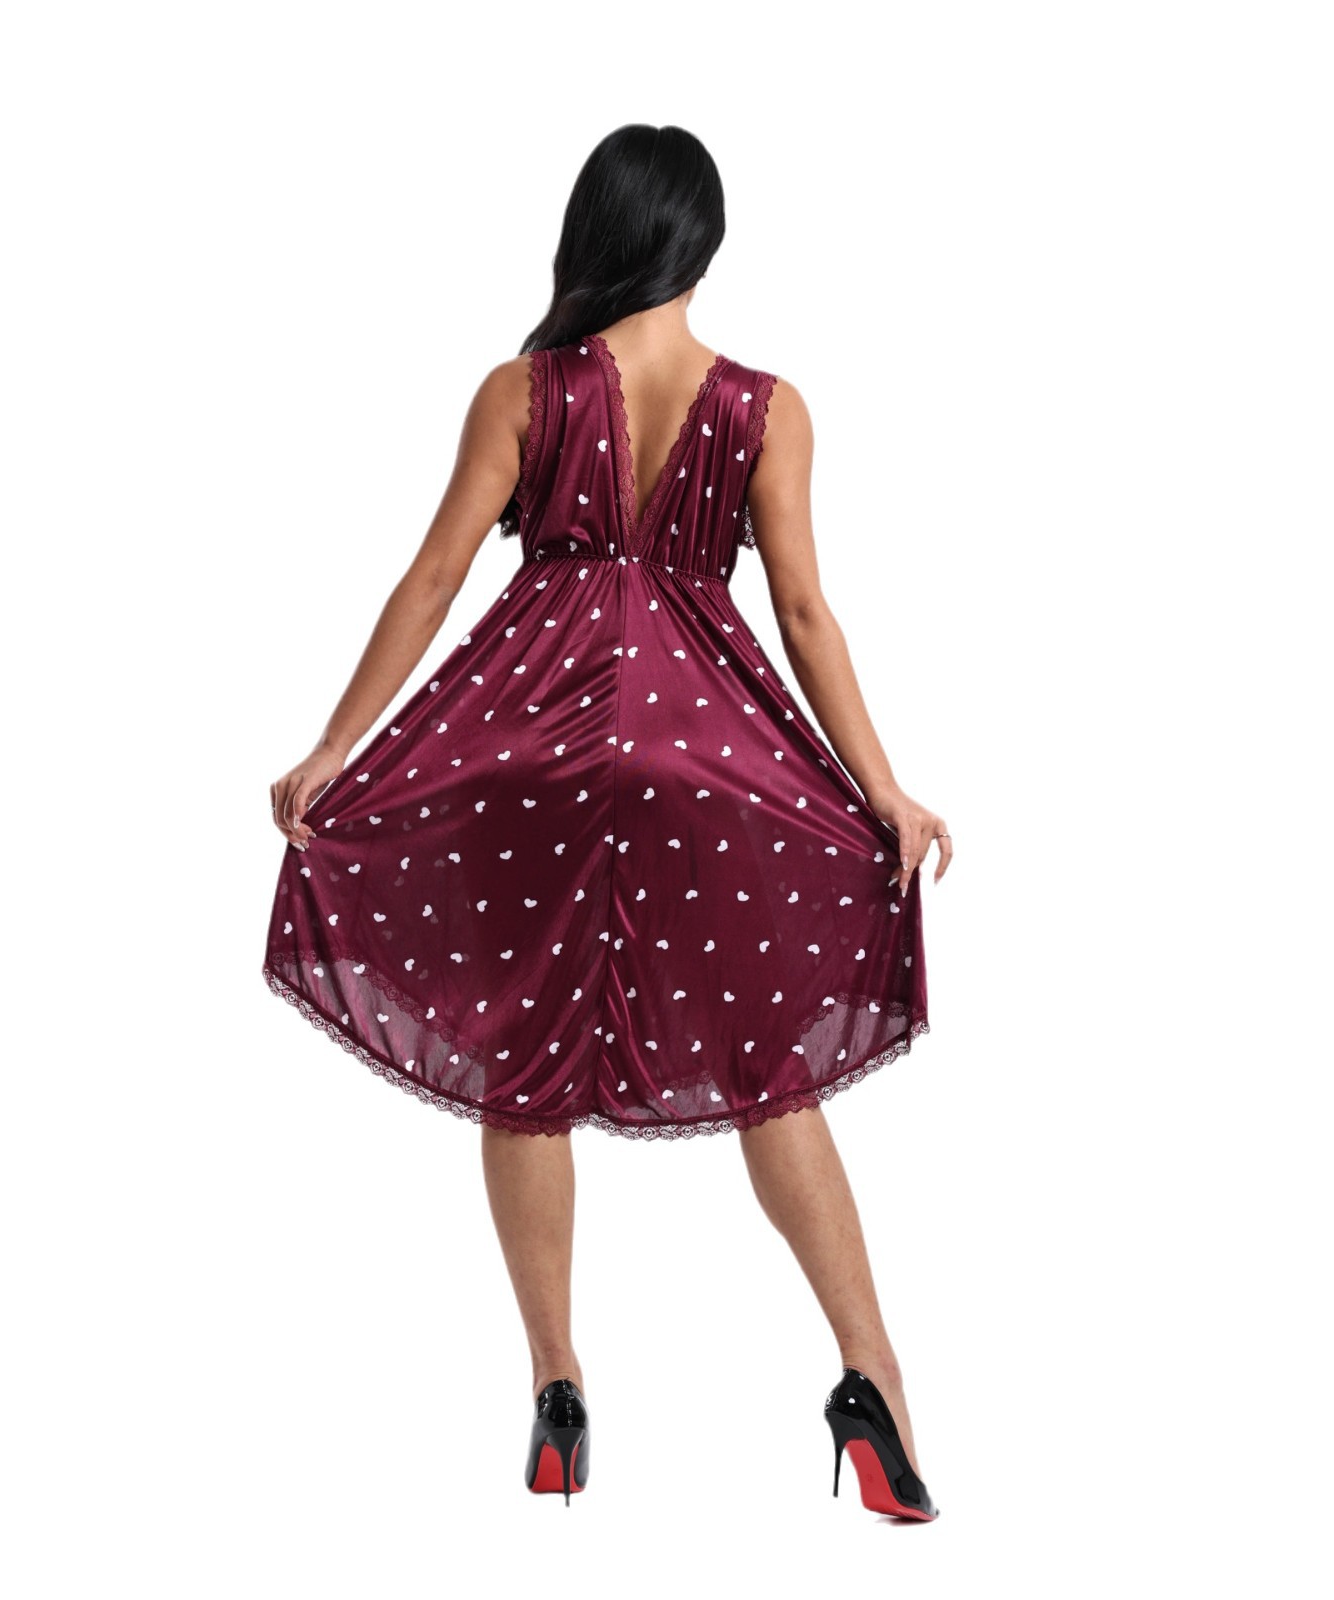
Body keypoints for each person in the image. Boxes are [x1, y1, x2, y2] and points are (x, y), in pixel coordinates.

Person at [264, 124, 953, 1520]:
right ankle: (872, 1379)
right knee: (772, 1071)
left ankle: (557, 1389)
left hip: (530, 749)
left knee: (521, 1063)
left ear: (593, 232)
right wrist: (880, 785)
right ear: (702, 239)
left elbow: (434, 575)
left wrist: (338, 745)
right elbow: (804, 611)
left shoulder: (523, 391)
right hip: (704, 757)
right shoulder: (765, 407)